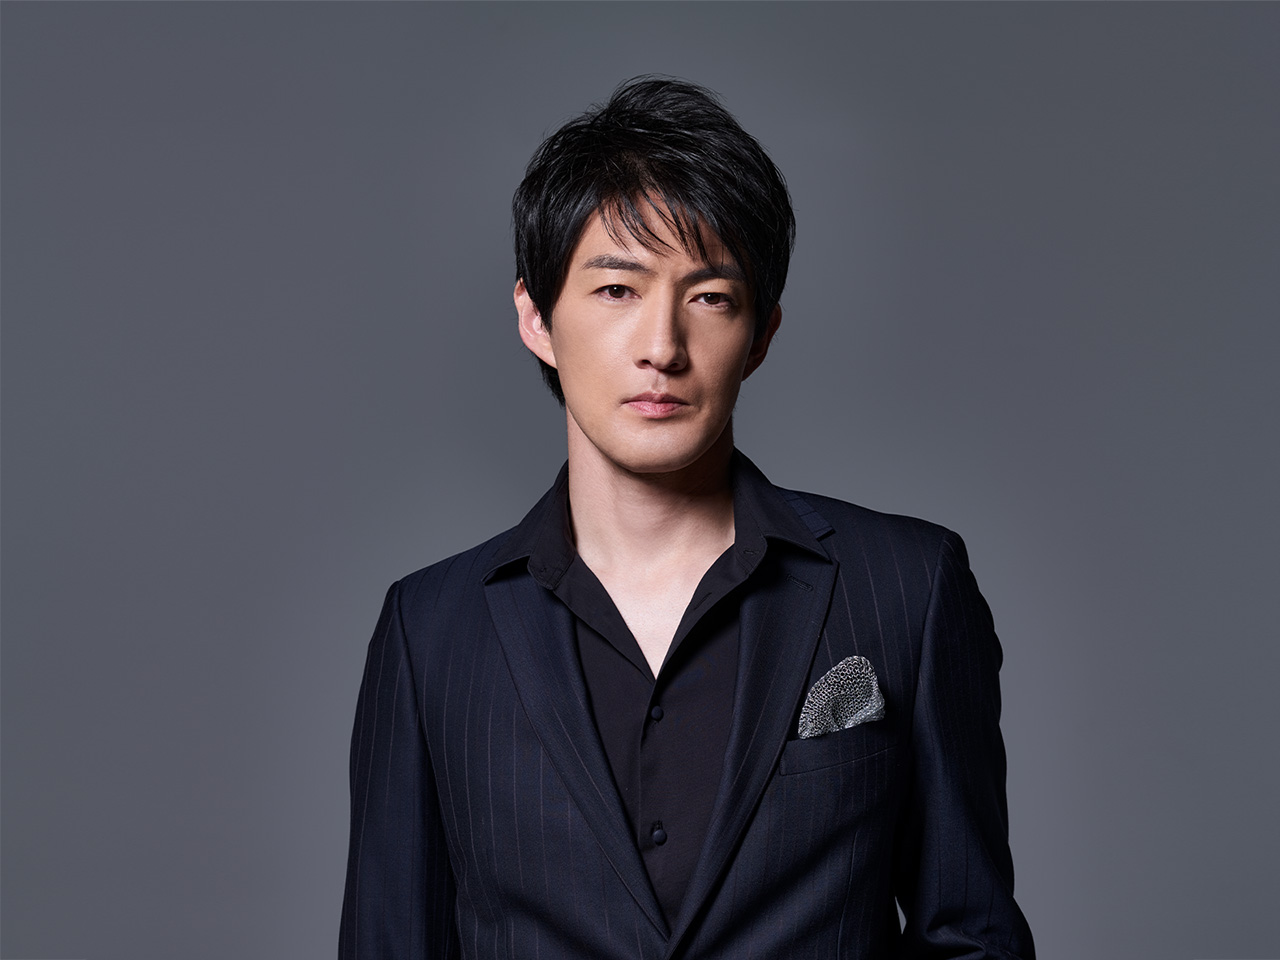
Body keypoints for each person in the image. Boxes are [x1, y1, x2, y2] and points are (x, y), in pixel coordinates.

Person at [339, 76, 1035, 960]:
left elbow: (972, 937)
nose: (662, 347)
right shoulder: (431, 630)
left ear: (762, 334)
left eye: (709, 297)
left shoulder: (907, 587)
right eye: (616, 290)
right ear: (536, 318)